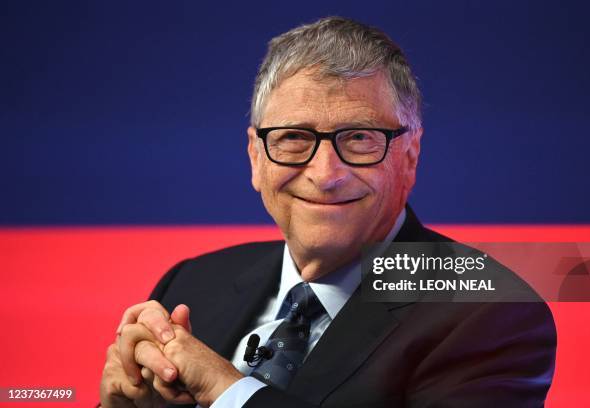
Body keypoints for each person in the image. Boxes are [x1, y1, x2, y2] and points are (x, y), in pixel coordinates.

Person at [99, 17, 556, 407]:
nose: (325, 174)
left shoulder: (488, 311)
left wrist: (226, 390)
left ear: (410, 156)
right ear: (256, 157)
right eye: (294, 137)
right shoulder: (193, 282)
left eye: (358, 138)